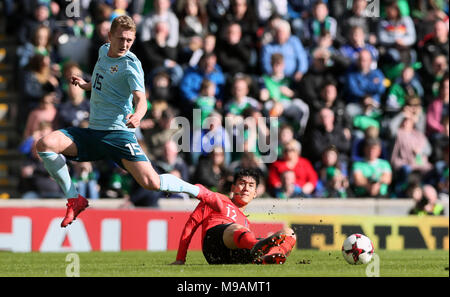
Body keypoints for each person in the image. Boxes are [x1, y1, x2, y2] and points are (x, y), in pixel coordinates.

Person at [35, 16, 201, 228]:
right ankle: (74, 199)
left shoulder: (131, 65)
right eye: (121, 39)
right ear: (109, 36)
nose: (125, 44)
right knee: (45, 144)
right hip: (94, 132)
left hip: (118, 135)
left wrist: (138, 115)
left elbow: (141, 99)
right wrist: (86, 85)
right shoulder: (103, 51)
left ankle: (200, 192)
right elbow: (101, 82)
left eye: (129, 40)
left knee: (152, 182)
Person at [171, 168, 297, 265]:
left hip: (235, 253)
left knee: (289, 233)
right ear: (233, 188)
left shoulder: (246, 221)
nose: (246, 188)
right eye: (242, 183)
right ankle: (258, 247)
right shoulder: (218, 199)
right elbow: (191, 225)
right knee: (238, 229)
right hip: (213, 248)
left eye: (251, 185)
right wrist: (180, 258)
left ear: (255, 194)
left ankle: (271, 255)